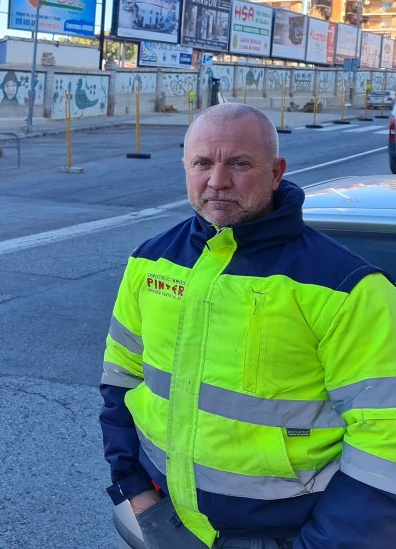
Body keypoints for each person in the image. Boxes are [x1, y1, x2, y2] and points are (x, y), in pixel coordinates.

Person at [100, 103, 396, 548]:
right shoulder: (151, 261)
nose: (217, 181)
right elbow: (120, 379)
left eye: (238, 163)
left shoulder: (348, 288)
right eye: (202, 163)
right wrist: (131, 487)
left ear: (276, 172)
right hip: (164, 521)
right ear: (186, 166)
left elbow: (384, 440)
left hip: (285, 536)